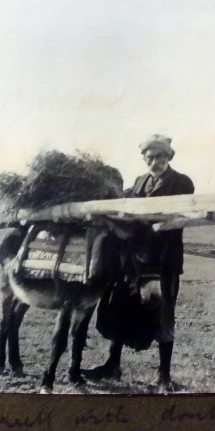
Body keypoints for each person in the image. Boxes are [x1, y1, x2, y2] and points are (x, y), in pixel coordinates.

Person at [84, 134, 194, 392]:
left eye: (160, 157)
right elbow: (127, 204)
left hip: (163, 259)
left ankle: (164, 375)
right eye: (150, 157)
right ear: (144, 159)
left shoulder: (182, 182)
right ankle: (113, 364)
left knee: (162, 312)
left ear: (169, 158)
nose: (155, 162)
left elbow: (176, 216)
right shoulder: (139, 182)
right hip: (134, 260)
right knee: (121, 306)